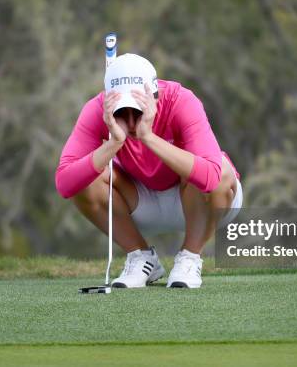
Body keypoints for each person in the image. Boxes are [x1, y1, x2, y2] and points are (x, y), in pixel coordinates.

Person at [55, 53, 242, 288]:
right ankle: (141, 258)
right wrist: (113, 144)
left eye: (138, 111)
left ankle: (190, 258)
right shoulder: (96, 111)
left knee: (221, 170)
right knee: (86, 178)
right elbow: (64, 183)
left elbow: (211, 177)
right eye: (122, 113)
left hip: (206, 202)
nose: (132, 123)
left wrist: (148, 137)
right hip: (139, 202)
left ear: (155, 97)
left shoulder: (181, 100)